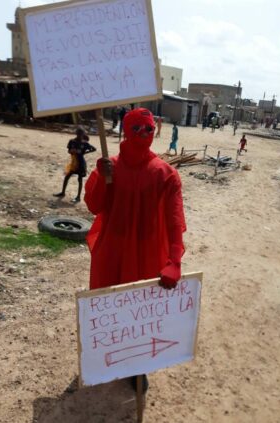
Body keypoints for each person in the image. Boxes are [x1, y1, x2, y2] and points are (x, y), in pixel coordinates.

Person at [84, 108, 186, 392]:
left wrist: (174, 260)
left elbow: (174, 221)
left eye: (149, 129)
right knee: (111, 310)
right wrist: (101, 177)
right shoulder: (109, 166)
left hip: (148, 253)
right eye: (137, 129)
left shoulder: (167, 174)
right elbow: (94, 206)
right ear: (125, 131)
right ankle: (107, 357)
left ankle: (138, 366)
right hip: (112, 251)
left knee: (142, 316)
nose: (144, 135)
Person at [53, 127, 96, 203]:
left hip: (81, 163)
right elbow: (69, 150)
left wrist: (84, 153)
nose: (79, 135)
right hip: (74, 162)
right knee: (67, 176)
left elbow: (94, 149)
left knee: (79, 179)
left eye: (81, 134)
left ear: (83, 134)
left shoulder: (84, 143)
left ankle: (78, 197)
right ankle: (63, 192)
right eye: (78, 134)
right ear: (76, 134)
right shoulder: (72, 141)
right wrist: (72, 151)